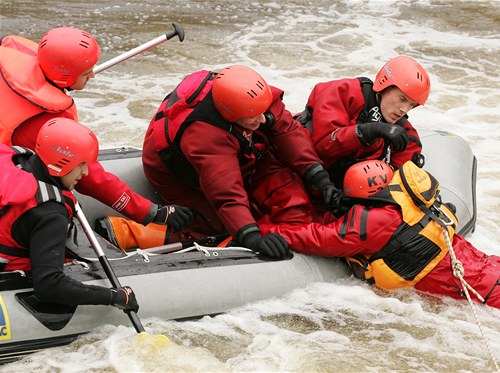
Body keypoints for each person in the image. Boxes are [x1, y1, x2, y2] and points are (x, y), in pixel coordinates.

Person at [259, 159, 500, 326]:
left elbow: (313, 238)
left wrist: (261, 229)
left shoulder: (369, 225)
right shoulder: (410, 200)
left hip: (499, 296)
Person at [0, 27, 192, 232]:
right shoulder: (44, 123)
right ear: (64, 77)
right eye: (86, 72)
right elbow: (92, 179)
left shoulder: (15, 51)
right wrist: (151, 212)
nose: (93, 74)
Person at [138, 65, 341, 258]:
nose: (262, 119)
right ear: (230, 114)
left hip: (229, 143)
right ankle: (137, 232)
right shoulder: (206, 136)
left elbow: (287, 131)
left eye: (263, 111)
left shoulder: (251, 96)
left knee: (281, 174)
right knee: (218, 225)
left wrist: (321, 180)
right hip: (172, 172)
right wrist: (250, 236)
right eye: (254, 116)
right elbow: (226, 194)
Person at [0, 118, 139, 312]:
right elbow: (49, 286)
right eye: (81, 164)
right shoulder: (50, 213)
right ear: (60, 162)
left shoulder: (17, 159)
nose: (85, 172)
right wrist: (113, 296)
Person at [297, 55, 429, 187]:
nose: (404, 110)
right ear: (385, 86)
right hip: (298, 173)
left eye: (411, 105)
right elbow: (323, 146)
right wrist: (370, 131)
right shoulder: (345, 92)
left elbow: (398, 185)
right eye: (402, 99)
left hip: (338, 193)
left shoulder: (406, 136)